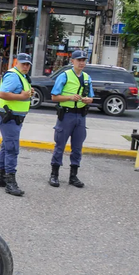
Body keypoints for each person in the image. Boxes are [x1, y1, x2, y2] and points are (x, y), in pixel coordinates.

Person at [48, 49, 93, 188]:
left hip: (81, 115)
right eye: (79, 60)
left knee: (77, 147)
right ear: (72, 61)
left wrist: (87, 100)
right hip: (66, 114)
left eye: (83, 60)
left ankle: (73, 176)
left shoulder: (87, 77)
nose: (81, 63)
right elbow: (54, 97)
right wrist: (69, 97)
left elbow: (91, 97)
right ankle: (54, 174)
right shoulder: (65, 76)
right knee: (60, 145)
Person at [0, 53, 33, 196]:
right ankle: (10, 183)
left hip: (13, 119)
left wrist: (27, 94)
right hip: (9, 118)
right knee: (12, 149)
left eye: (28, 64)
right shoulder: (13, 75)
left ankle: (1, 178)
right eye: (23, 63)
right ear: (17, 62)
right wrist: (22, 96)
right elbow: (2, 93)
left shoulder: (21, 76)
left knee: (6, 148)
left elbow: (18, 92)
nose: (26, 66)